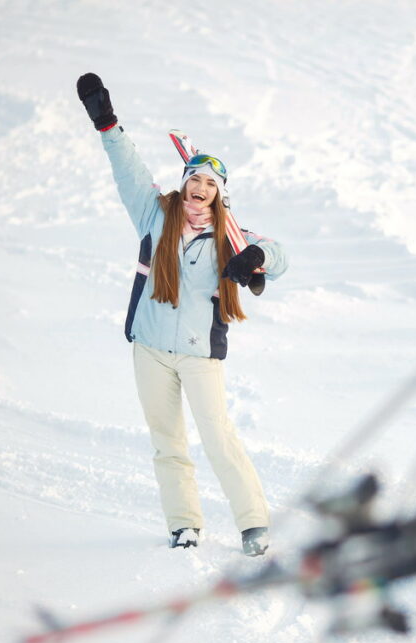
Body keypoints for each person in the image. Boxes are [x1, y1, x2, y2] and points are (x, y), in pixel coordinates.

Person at [76, 73, 288, 557]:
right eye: (195, 177)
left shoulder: (231, 238)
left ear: (219, 194)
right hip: (149, 347)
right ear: (185, 181)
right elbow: (129, 171)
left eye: (210, 183)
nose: (200, 186)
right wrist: (107, 124)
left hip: (198, 354)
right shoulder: (156, 215)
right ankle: (184, 524)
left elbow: (279, 256)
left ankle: (253, 523)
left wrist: (255, 259)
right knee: (167, 440)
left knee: (218, 438)